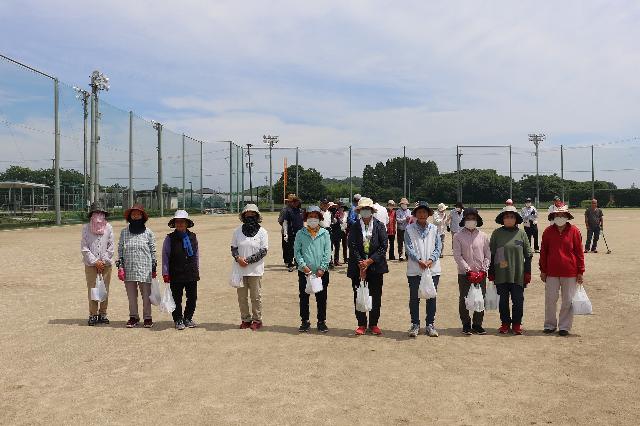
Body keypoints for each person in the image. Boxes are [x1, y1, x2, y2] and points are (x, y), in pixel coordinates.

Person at [540, 205, 585, 336]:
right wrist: (543, 270)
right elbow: (544, 252)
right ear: (553, 217)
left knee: (567, 300)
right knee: (550, 299)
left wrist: (580, 271)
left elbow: (579, 252)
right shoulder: (548, 231)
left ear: (567, 217)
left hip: (570, 272)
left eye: (563, 215)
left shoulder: (574, 231)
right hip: (551, 272)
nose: (560, 218)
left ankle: (564, 326)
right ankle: (550, 325)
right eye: (557, 215)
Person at [488, 206, 533, 335]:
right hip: (501, 273)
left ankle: (517, 324)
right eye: (506, 217)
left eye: (512, 217)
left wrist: (527, 272)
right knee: (502, 301)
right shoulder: (496, 233)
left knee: (518, 301)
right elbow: (491, 254)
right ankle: (505, 323)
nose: (509, 219)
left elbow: (528, 254)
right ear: (502, 219)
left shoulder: (522, 233)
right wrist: (491, 271)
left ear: (516, 219)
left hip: (518, 274)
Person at [347, 197, 389, 335]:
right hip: (358, 267)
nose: (365, 211)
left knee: (375, 296)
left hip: (376, 266)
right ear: (359, 211)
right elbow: (352, 246)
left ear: (372, 210)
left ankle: (373, 324)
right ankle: (361, 324)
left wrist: (370, 261)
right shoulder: (354, 226)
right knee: (359, 295)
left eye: (367, 209)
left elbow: (383, 246)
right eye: (363, 209)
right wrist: (361, 263)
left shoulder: (379, 225)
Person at [405, 202, 442, 338]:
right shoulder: (409, 229)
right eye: (419, 212)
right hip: (415, 269)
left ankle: (430, 324)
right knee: (414, 298)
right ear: (415, 214)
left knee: (431, 296)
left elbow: (438, 247)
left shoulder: (434, 229)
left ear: (428, 214)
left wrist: (431, 260)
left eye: (424, 212)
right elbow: (409, 247)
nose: (422, 214)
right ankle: (415, 324)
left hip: (432, 269)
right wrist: (419, 260)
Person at [117, 204, 157, 328]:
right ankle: (133, 317)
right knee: (131, 296)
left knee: (146, 295)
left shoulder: (148, 232)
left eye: (138, 214)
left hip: (145, 269)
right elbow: (120, 250)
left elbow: (153, 250)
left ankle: (147, 317)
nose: (135, 216)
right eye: (133, 214)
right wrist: (120, 267)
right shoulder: (124, 232)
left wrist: (154, 267)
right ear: (130, 217)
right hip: (129, 268)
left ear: (142, 216)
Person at [453, 208, 491, 335]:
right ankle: (466, 324)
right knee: (464, 298)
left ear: (477, 220)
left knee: (480, 298)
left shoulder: (483, 236)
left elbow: (488, 255)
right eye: (468, 218)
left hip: (480, 273)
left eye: (473, 218)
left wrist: (483, 270)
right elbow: (457, 256)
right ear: (464, 220)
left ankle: (477, 324)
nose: (471, 221)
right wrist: (468, 270)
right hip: (465, 274)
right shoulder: (458, 236)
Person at [294, 206, 332, 333]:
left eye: (315, 217)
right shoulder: (300, 233)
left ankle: (321, 321)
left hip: (321, 272)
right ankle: (304, 321)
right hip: (304, 272)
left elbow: (328, 252)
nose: (313, 219)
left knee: (321, 298)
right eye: (310, 216)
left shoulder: (325, 233)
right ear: (306, 218)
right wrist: (303, 266)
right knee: (304, 297)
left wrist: (323, 268)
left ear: (319, 218)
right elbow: (297, 252)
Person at [231, 204, 268, 331]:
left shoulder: (263, 232)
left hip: (255, 270)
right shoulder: (237, 231)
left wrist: (247, 260)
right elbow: (233, 248)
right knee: (242, 297)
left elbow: (263, 251)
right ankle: (245, 319)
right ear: (243, 216)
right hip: (240, 269)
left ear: (257, 216)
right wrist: (238, 258)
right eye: (247, 214)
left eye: (253, 214)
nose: (250, 216)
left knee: (255, 297)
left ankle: (257, 320)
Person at [162, 210, 200, 330]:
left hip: (191, 272)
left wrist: (197, 268)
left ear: (187, 223)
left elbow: (196, 254)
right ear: (174, 224)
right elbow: (165, 256)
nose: (180, 224)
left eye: (182, 222)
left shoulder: (193, 236)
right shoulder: (169, 238)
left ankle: (188, 318)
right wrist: (165, 272)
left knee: (192, 297)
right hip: (175, 272)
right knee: (176, 298)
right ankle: (178, 319)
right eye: (177, 222)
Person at [81, 202, 114, 326]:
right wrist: (95, 262)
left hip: (106, 264)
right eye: (96, 213)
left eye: (101, 213)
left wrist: (103, 261)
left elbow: (111, 246)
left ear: (104, 215)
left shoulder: (109, 227)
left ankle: (103, 313)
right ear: (91, 215)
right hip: (91, 265)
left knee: (105, 289)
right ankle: (93, 314)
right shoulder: (86, 228)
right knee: (93, 289)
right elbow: (84, 247)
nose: (98, 216)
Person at [282, 194, 304, 272]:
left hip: (300, 233)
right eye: (295, 202)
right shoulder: (288, 211)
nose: (297, 203)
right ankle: (290, 264)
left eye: (298, 202)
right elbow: (285, 222)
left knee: (299, 249)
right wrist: (285, 233)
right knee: (290, 249)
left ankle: (297, 263)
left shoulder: (301, 211)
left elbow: (302, 222)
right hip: (291, 232)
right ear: (293, 202)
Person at [329, 201, 347, 266]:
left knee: (337, 246)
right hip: (332, 232)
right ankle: (330, 261)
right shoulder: (330, 213)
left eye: (335, 207)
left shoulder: (338, 214)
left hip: (338, 231)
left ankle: (336, 261)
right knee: (330, 247)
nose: (334, 208)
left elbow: (340, 222)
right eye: (332, 207)